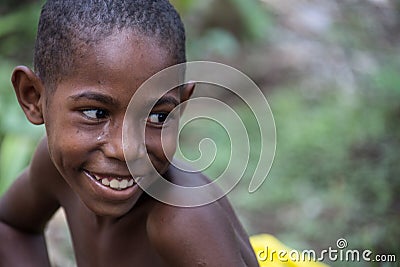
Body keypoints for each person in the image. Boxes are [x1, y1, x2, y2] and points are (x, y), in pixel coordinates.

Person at [0, 0, 259, 266]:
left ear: (181, 104)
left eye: (158, 116)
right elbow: (12, 226)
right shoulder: (55, 169)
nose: (126, 150)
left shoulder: (182, 220)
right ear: (33, 97)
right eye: (96, 113)